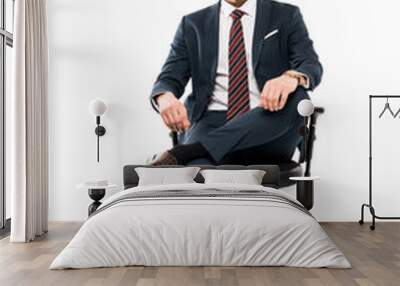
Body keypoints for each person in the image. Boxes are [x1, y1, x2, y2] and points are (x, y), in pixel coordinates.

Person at [149, 0, 322, 166]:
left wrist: (290, 78)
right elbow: (169, 77)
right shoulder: (193, 24)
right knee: (197, 174)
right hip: (212, 122)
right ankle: (199, 151)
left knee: (299, 98)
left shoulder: (286, 15)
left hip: (268, 123)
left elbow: (310, 64)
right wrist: (165, 97)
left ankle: (192, 150)